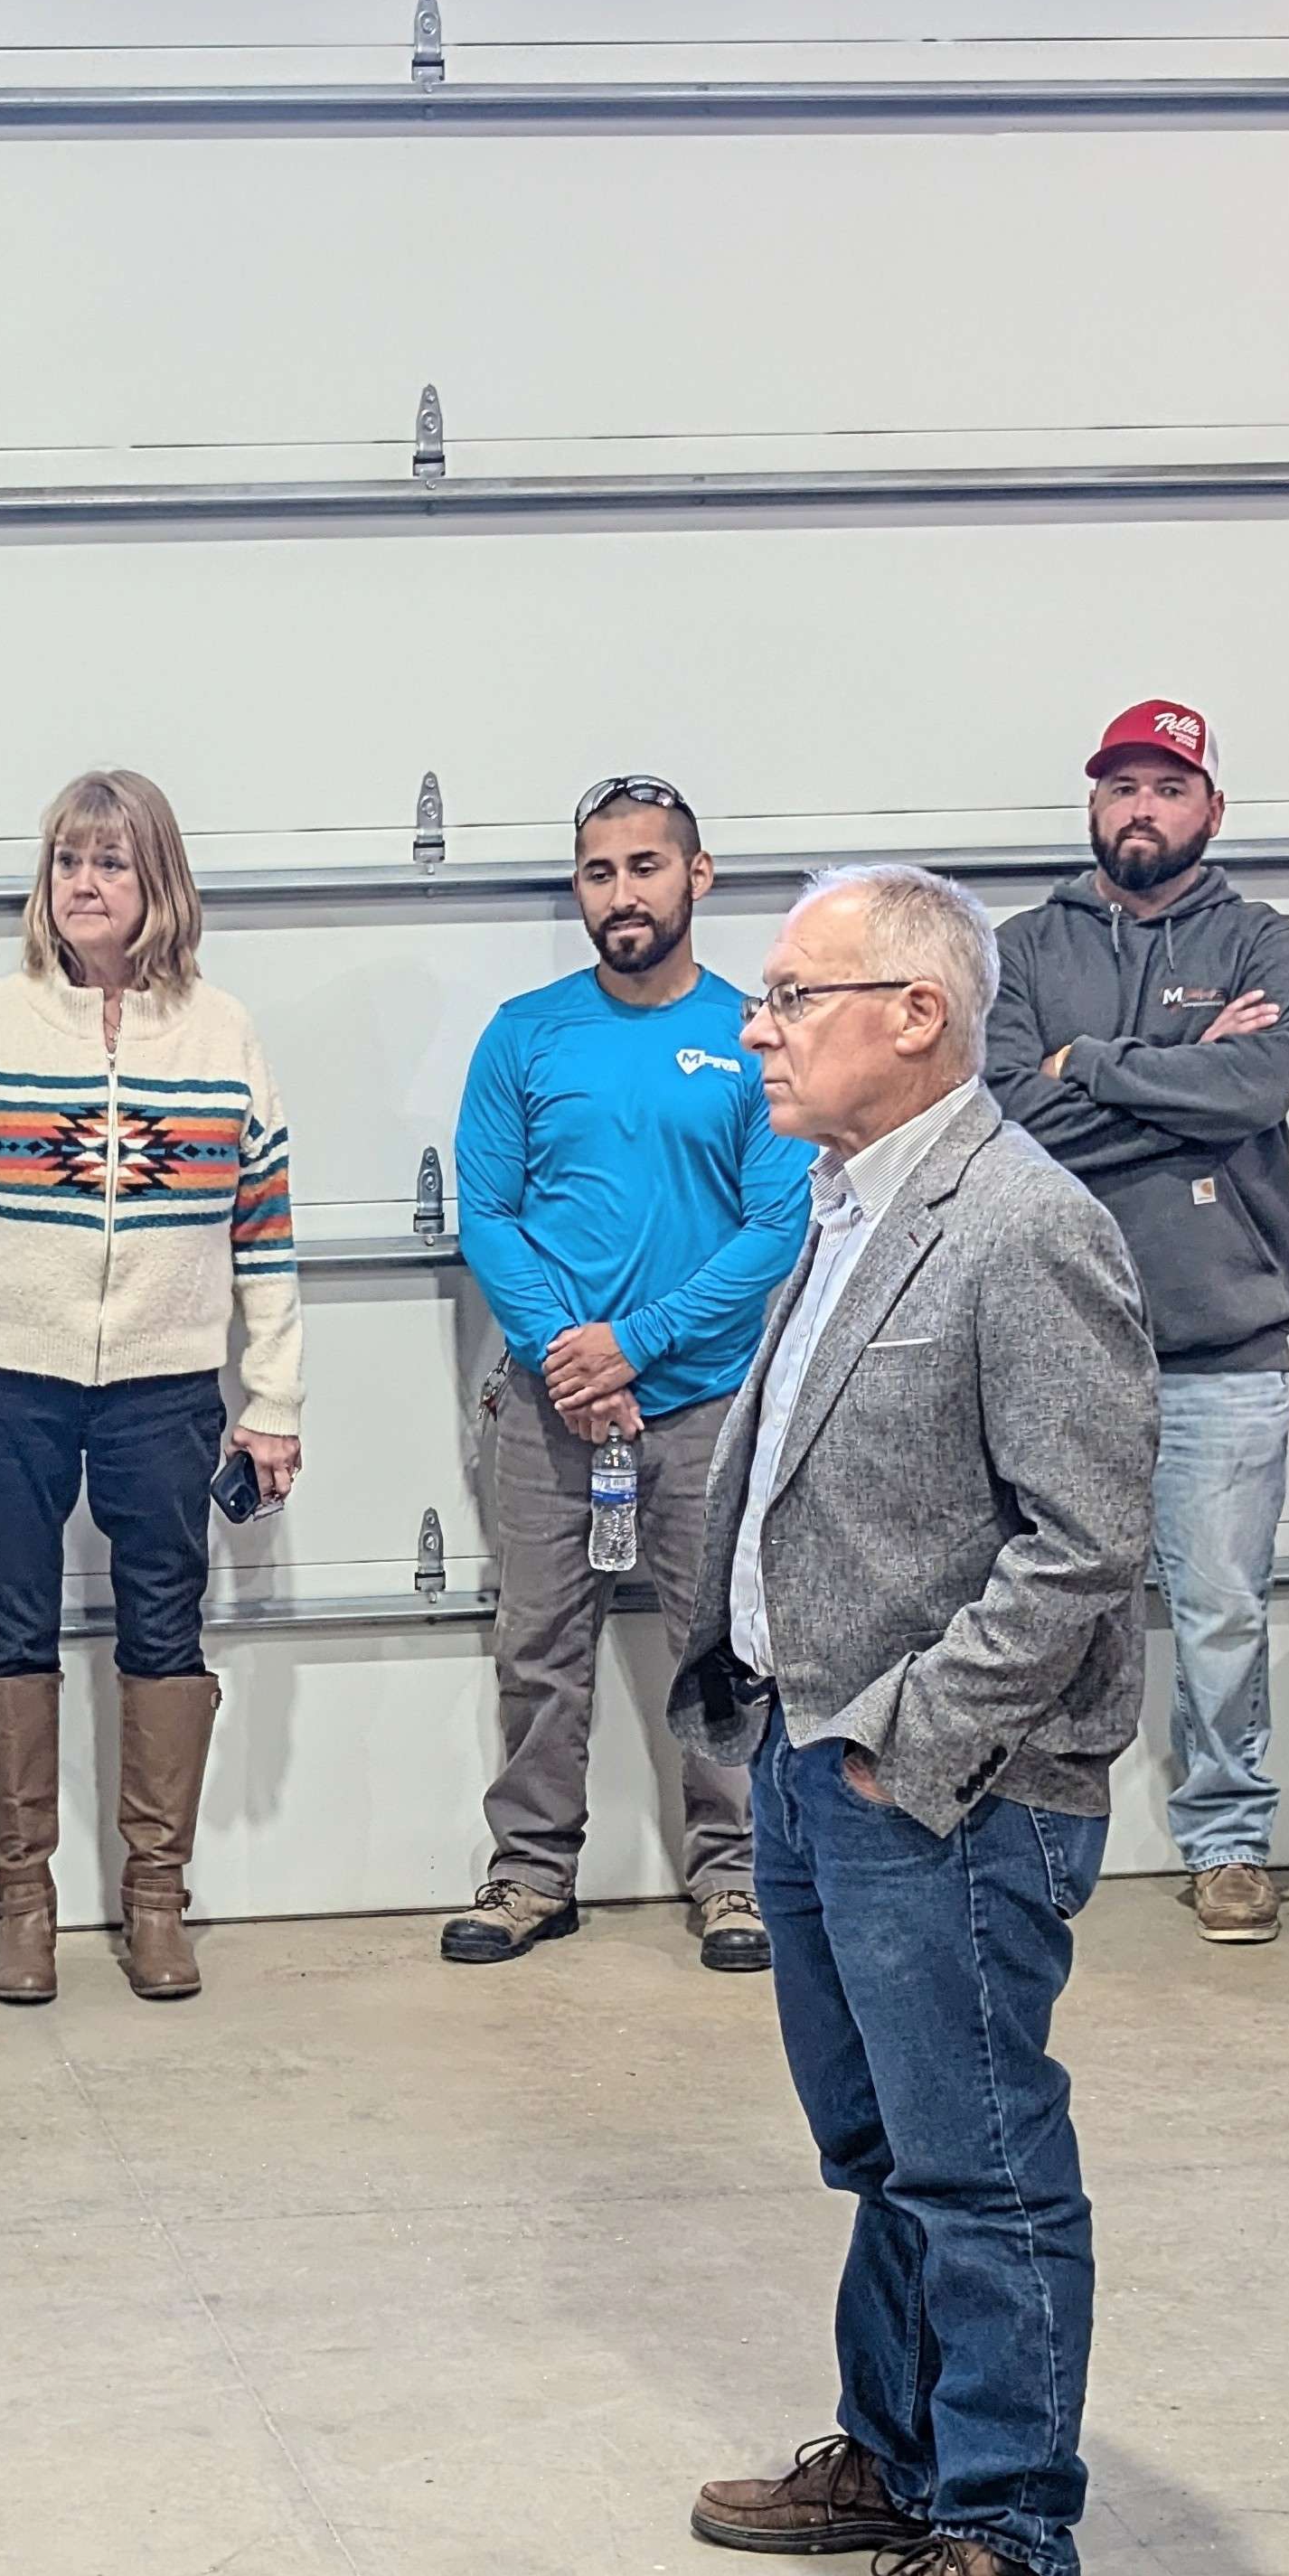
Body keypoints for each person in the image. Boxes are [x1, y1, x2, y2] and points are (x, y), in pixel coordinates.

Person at [670, 866, 1157, 2576]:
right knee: (886, 2153)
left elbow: (1084, 1541)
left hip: (940, 1784)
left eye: (796, 997)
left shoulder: (1019, 1226)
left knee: (984, 2165)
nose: (761, 1028)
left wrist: (911, 1743)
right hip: (812, 1758)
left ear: (917, 1014)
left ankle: (1012, 2532)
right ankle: (898, 2456)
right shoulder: (852, 1200)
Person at [0, 767, 305, 2004]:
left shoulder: (224, 1032)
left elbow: (267, 1237)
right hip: (10, 1381)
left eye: (113, 863)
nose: (86, 883)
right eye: (70, 861)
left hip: (166, 1386)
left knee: (163, 1629)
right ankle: (24, 1900)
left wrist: (273, 1399)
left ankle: (156, 1896)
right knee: (13, 1629)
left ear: (159, 883)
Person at [984, 695, 1289, 1947]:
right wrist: (1177, 1061)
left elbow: (1259, 1085)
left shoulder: (1270, 944)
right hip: (1052, 1347)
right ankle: (1018, 1826)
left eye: (1168, 787)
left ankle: (1227, 1841)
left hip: (1221, 1350)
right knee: (1032, 1603)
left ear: (1210, 809)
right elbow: (1011, 1113)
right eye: (1122, 785)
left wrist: (1095, 1061)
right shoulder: (1021, 950)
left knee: (1221, 1607)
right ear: (1095, 804)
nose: (1143, 807)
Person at [442, 776, 794, 1975]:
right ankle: (531, 1872)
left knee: (720, 1648)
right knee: (538, 1645)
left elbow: (775, 1227)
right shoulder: (525, 1034)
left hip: (702, 1403)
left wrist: (633, 1344)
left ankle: (736, 1878)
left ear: (698, 877)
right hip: (550, 1408)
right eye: (599, 872)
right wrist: (565, 1354)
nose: (622, 893)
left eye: (646, 867)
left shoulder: (755, 1036)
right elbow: (486, 1214)